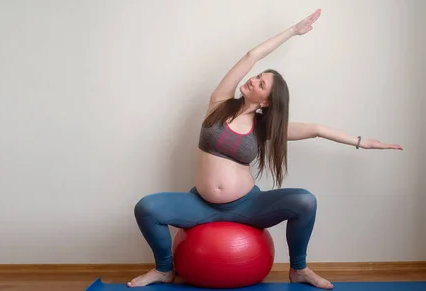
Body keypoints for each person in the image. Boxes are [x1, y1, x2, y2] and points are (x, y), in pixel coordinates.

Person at [126, 8, 402, 290]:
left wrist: (361, 142)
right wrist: (293, 31)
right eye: (257, 77)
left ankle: (299, 269)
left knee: (305, 201)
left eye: (261, 84)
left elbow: (317, 129)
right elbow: (250, 57)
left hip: (247, 206)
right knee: (147, 208)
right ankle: (164, 269)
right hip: (201, 205)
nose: (253, 80)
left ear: (267, 102)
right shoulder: (219, 103)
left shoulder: (264, 127)